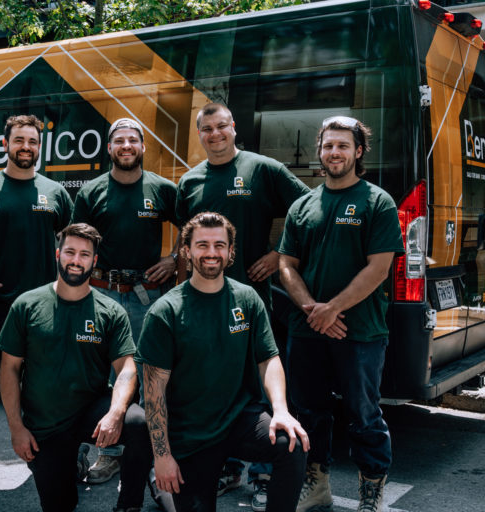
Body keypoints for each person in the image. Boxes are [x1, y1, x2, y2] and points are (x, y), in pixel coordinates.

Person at [174, 102, 309, 507]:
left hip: (249, 301)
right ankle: (226, 468)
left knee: (258, 380)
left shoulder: (262, 169)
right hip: (200, 303)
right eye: (207, 130)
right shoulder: (190, 181)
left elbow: (309, 210)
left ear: (234, 127)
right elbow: (184, 245)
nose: (214, 135)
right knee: (215, 382)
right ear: (199, 135)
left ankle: (266, 472)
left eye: (221, 127)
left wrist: (278, 255)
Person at [137, 212, 309, 512]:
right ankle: (158, 484)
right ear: (187, 251)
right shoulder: (165, 311)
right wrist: (162, 455)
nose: (211, 252)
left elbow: (268, 359)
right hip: (191, 435)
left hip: (240, 419)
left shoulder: (247, 299)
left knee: (290, 443)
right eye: (202, 245)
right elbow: (153, 393)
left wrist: (281, 410)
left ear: (231, 251)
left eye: (219, 245)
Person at [278, 116, 404, 512]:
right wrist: (313, 312)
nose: (335, 152)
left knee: (363, 415)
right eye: (329, 145)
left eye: (343, 146)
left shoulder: (377, 202)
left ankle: (372, 489)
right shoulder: (303, 205)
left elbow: (378, 268)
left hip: (361, 331)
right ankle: (317, 483)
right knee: (309, 412)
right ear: (320, 151)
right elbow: (286, 266)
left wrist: (331, 310)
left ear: (359, 151)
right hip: (308, 329)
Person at [0, 223, 153, 512]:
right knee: (61, 504)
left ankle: (128, 505)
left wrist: (116, 413)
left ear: (94, 262)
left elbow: (127, 367)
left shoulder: (109, 311)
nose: (76, 260)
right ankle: (70, 464)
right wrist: (16, 428)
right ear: (58, 254)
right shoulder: (27, 305)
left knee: (139, 423)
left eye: (84, 254)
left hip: (91, 411)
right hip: (46, 425)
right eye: (70, 252)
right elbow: (9, 369)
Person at [72, 117, 177, 485]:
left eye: (133, 140)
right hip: (100, 294)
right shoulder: (91, 193)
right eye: (120, 140)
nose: (127, 146)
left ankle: (150, 457)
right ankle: (108, 452)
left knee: (150, 376)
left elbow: (193, 226)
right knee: (97, 376)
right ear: (110, 148)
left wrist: (175, 258)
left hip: (146, 297)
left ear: (143, 148)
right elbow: (76, 248)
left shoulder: (163, 189)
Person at [0, 114, 72, 446]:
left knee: (44, 392)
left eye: (33, 141)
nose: (26, 147)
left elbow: (73, 246)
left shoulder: (55, 193)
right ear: (5, 144)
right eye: (19, 140)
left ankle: (48, 466)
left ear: (41, 146)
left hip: (43, 313)